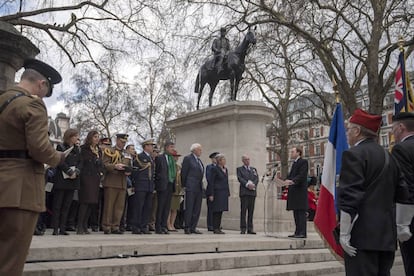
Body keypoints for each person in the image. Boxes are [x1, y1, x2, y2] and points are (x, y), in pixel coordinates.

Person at [0, 58, 65, 276]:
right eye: (45, 92)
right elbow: (39, 149)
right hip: (20, 190)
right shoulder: (32, 104)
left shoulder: (3, 99)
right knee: (10, 259)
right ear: (41, 85)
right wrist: (57, 157)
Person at [338, 108, 406, 275]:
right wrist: (402, 226)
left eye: (349, 129)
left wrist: (344, 233)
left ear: (357, 131)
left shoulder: (353, 154)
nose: (347, 133)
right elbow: (403, 194)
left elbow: (350, 197)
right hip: (386, 237)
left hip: (362, 236)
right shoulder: (389, 156)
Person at [390, 112, 414, 276]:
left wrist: (402, 224)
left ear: (401, 127)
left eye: (393, 128)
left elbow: (405, 187)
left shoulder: (400, 149)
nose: (392, 133)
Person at [52, 128, 81, 236]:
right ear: (69, 137)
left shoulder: (77, 149)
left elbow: (80, 162)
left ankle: (63, 228)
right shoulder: (61, 146)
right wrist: (68, 171)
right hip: (62, 179)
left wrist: (76, 171)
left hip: (72, 180)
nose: (76, 138)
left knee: (67, 205)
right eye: (75, 136)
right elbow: (60, 161)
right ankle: (55, 228)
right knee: (58, 205)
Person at [101, 133, 130, 234]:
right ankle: (107, 226)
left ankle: (115, 226)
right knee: (109, 205)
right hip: (112, 181)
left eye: (124, 142)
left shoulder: (127, 153)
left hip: (122, 182)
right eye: (122, 142)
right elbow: (105, 164)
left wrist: (128, 171)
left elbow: (129, 165)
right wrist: (115, 166)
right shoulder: (110, 151)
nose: (123, 144)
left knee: (119, 207)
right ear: (117, 140)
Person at [77, 130, 103, 234]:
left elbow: (100, 164)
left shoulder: (98, 150)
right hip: (86, 176)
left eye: (98, 137)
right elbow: (82, 162)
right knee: (85, 202)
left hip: (95, 177)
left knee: (91, 202)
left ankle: (84, 225)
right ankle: (79, 225)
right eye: (95, 137)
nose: (97, 139)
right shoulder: (84, 148)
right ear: (90, 138)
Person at [130, 139, 156, 235]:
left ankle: (144, 226)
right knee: (139, 207)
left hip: (149, 186)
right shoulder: (140, 157)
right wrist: (135, 184)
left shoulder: (151, 158)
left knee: (147, 207)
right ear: (146, 146)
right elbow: (136, 171)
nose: (152, 147)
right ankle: (136, 226)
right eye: (151, 145)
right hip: (141, 185)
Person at [181, 143, 204, 234]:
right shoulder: (188, 159)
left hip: (198, 187)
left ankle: (193, 226)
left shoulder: (199, 161)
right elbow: (184, 173)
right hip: (190, 186)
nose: (201, 151)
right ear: (194, 150)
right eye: (199, 149)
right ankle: (187, 226)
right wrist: (184, 185)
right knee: (189, 207)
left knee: (197, 208)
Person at [285, 147, 308, 238]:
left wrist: (292, 181)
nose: (291, 153)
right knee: (296, 212)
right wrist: (285, 181)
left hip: (300, 191)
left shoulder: (303, 162)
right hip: (294, 192)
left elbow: (302, 175)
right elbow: (291, 176)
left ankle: (302, 232)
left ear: (298, 153)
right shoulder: (294, 164)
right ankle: (297, 231)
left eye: (292, 152)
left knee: (301, 213)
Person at [154, 141, 177, 234]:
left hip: (170, 185)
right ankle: (158, 226)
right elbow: (157, 171)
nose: (173, 149)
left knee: (167, 207)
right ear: (166, 148)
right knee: (161, 206)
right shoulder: (160, 158)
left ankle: (164, 226)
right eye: (171, 147)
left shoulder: (172, 159)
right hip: (162, 185)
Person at [206, 154, 230, 234]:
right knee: (216, 210)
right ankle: (215, 227)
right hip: (217, 192)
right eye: (223, 159)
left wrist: (228, 192)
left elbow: (226, 181)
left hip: (223, 193)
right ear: (219, 161)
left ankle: (218, 227)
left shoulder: (225, 169)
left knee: (221, 211)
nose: (224, 161)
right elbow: (211, 182)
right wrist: (211, 194)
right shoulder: (214, 169)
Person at [237, 154, 259, 234]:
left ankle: (250, 228)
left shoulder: (253, 169)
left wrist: (253, 184)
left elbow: (256, 178)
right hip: (244, 192)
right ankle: (243, 228)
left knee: (251, 211)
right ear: (243, 161)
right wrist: (247, 184)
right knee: (243, 211)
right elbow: (240, 178)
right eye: (246, 159)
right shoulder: (239, 169)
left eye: (248, 159)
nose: (247, 161)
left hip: (252, 192)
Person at [167, 150, 183, 231]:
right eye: (174, 157)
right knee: (169, 208)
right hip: (171, 190)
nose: (176, 158)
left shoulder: (178, 167)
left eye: (177, 157)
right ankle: (168, 224)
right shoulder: (169, 166)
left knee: (175, 208)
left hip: (178, 190)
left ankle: (172, 224)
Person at [206, 152, 219, 231]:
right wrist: (211, 193)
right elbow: (209, 179)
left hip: (218, 192)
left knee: (217, 209)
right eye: (215, 158)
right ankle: (210, 225)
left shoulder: (220, 167)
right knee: (211, 209)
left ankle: (216, 225)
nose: (216, 160)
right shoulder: (209, 167)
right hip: (211, 190)